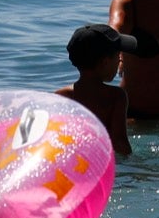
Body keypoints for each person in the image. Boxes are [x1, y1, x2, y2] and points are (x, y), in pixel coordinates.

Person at [57, 23, 136, 157]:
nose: (120, 60)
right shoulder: (115, 96)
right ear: (105, 62)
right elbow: (120, 144)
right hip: (102, 158)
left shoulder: (62, 96)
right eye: (118, 56)